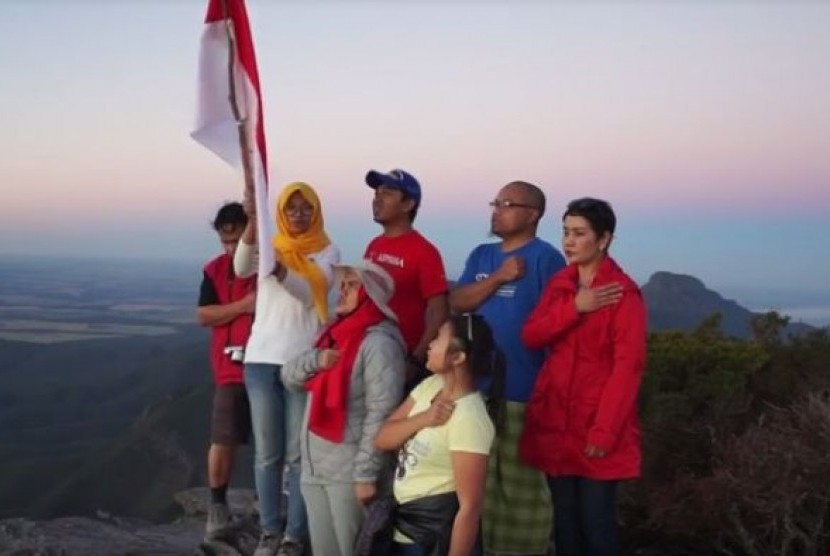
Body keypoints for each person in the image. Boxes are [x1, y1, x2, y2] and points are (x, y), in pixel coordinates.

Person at [520, 198, 647, 556]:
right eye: (565, 232)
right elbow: (532, 335)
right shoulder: (562, 284)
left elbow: (628, 368)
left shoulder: (623, 294)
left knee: (596, 525)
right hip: (557, 422)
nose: (569, 242)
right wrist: (575, 307)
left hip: (596, 424)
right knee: (565, 524)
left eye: (579, 233)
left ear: (603, 239)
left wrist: (604, 430)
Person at [450, 181, 565, 555]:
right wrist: (499, 277)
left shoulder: (546, 259)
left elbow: (559, 322)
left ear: (532, 215)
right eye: (495, 202)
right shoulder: (483, 255)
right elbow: (458, 300)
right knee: (472, 488)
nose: (496, 210)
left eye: (507, 204)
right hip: (473, 390)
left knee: (520, 492)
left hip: (522, 391)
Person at [235, 182, 341, 556]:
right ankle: (269, 531)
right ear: (280, 212)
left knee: (298, 456)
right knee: (267, 454)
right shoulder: (270, 244)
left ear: (316, 211)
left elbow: (312, 288)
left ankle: (295, 536)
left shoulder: (327, 250)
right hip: (262, 359)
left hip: (302, 361)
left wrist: (278, 268)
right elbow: (241, 265)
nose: (299, 214)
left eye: (306, 207)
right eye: (291, 208)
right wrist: (251, 222)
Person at [281, 260, 406, 556]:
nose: (343, 290)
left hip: (349, 473)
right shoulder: (333, 335)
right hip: (315, 468)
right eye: (343, 284)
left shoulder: (380, 344)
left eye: (352, 285)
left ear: (370, 293)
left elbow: (382, 413)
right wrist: (316, 360)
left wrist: (365, 474)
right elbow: (288, 377)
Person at [374, 314, 501, 556]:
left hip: (432, 536)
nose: (430, 343)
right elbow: (382, 438)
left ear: (458, 357)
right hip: (402, 528)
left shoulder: (470, 418)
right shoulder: (430, 386)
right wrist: (424, 418)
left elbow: (470, 507)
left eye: (439, 339)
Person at [197, 202, 256, 540]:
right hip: (230, 368)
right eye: (225, 241)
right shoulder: (215, 270)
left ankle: (266, 507)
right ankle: (217, 509)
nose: (231, 248)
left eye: (237, 240)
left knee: (269, 441)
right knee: (224, 438)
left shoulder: (269, 266)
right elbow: (203, 315)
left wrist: (226, 312)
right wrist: (242, 307)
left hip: (268, 364)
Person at [363, 168, 449, 389]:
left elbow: (439, 312)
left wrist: (415, 361)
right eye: (376, 193)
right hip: (369, 352)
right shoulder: (374, 245)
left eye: (387, 193)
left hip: (401, 357)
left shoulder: (424, 251)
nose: (377, 199)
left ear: (408, 204)